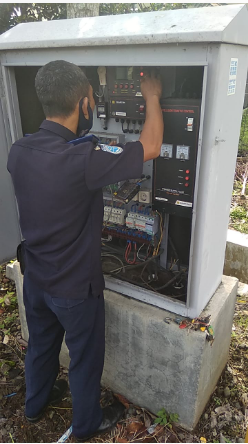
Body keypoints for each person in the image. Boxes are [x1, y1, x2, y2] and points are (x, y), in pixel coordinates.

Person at [7, 60, 163, 440]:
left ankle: (35, 405)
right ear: (83, 104)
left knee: (41, 347)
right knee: (85, 360)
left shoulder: (19, 150)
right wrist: (152, 96)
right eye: (92, 98)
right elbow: (153, 146)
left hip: (37, 279)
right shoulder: (82, 160)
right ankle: (87, 424)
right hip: (75, 289)